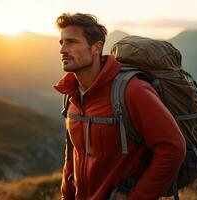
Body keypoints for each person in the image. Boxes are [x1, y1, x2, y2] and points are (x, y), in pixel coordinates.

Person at [54, 13, 186, 200]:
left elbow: (173, 148)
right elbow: (73, 157)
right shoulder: (71, 96)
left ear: (96, 48)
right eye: (61, 43)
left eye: (72, 42)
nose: (63, 50)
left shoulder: (132, 90)